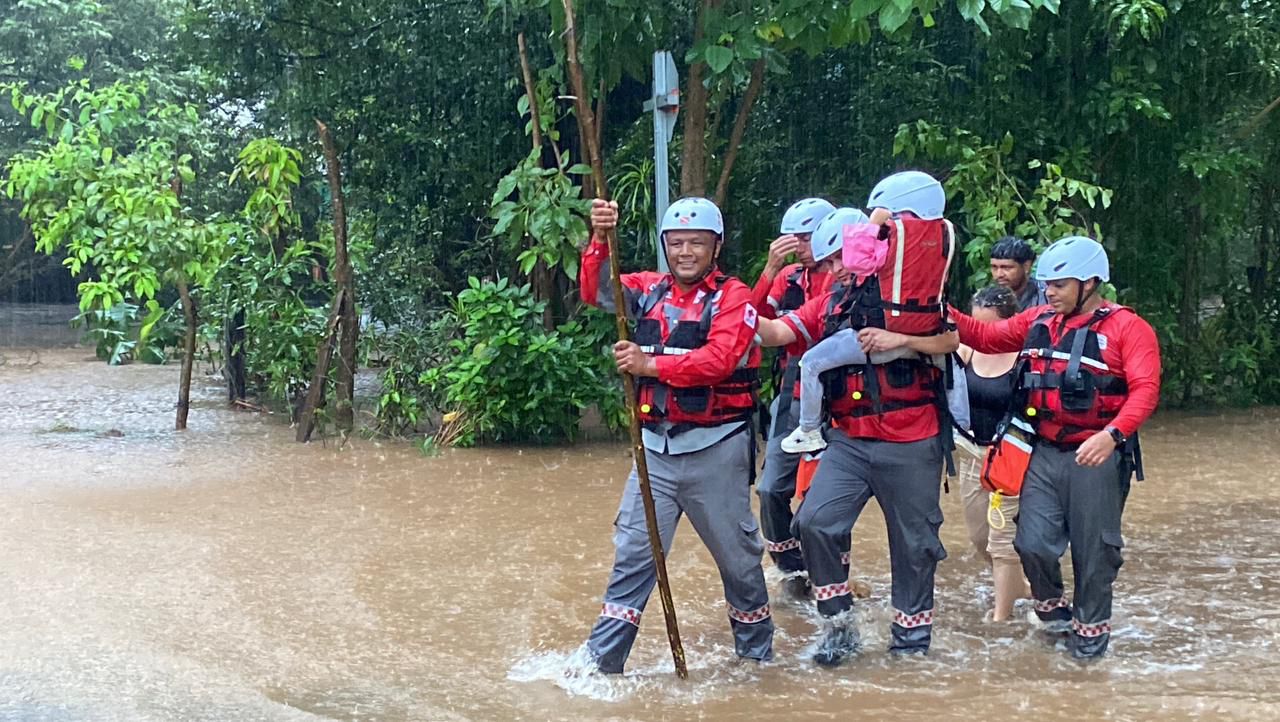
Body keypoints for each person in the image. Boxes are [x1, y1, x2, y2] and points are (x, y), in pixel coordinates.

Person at [754, 170, 958, 665]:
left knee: (913, 544)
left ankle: (911, 642)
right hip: (849, 439)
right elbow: (775, 333)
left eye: (838, 260)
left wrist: (902, 341)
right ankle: (839, 624)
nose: (835, 270)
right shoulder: (830, 302)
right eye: (829, 263)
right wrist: (734, 308)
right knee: (816, 521)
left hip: (913, 437)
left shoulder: (916, 299)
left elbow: (952, 341)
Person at [577, 196, 773, 674]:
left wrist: (650, 365)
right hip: (655, 451)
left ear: (716, 247)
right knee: (634, 555)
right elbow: (596, 292)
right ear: (665, 246)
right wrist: (600, 239)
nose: (686, 252)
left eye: (697, 243)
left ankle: (755, 657)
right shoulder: (648, 289)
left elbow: (720, 359)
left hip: (716, 449)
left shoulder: (734, 297)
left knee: (738, 558)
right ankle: (601, 663)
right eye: (677, 243)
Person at [951, 236, 1160, 659]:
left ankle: (1090, 635)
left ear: (1090, 283)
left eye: (1059, 285)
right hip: (1042, 450)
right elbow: (985, 336)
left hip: (1096, 452)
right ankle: (1052, 612)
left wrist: (1112, 435)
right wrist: (932, 306)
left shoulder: (1127, 328)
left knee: (1094, 550)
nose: (1049, 292)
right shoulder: (1039, 319)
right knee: (1030, 542)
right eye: (1046, 285)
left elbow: (1145, 389)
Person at [751, 198, 837, 600]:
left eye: (806, 237)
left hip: (839, 388)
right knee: (770, 488)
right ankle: (792, 570)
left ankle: (830, 573)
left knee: (824, 490)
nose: (799, 245)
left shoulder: (844, 276)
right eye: (793, 238)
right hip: (793, 386)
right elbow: (749, 321)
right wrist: (769, 269)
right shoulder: (786, 278)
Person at [954, 285, 1030, 622]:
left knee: (1002, 543)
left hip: (1011, 458)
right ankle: (1022, 586)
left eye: (990, 327)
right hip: (972, 453)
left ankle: (1001, 620)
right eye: (976, 326)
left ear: (1010, 324)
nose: (982, 335)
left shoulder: (1025, 355)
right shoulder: (968, 351)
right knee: (979, 539)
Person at [990, 236, 1047, 310]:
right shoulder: (989, 300)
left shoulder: (1046, 296)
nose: (999, 274)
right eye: (994, 267)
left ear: (1026, 266)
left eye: (1006, 268)